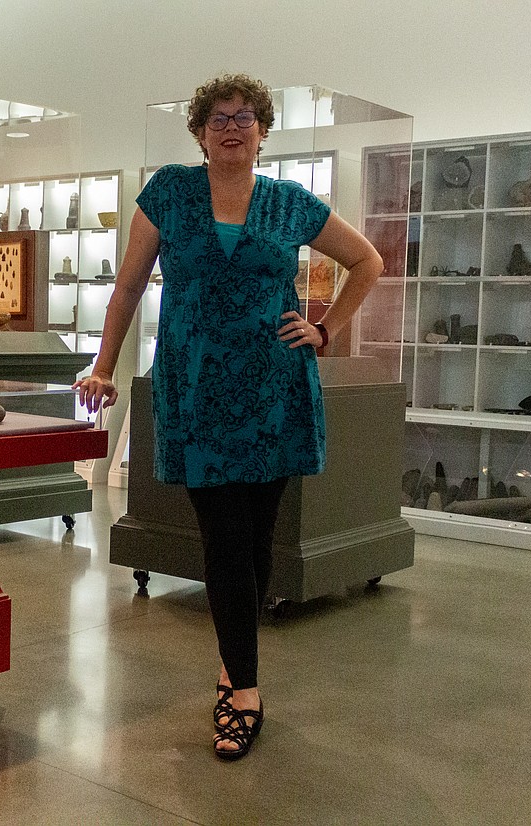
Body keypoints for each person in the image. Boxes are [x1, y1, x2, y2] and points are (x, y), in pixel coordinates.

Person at [74, 73, 384, 761]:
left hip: (275, 388)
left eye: (245, 116)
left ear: (262, 129)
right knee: (222, 534)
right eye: (218, 117)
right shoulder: (169, 195)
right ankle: (243, 688)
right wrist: (101, 365)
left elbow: (367, 260)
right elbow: (126, 289)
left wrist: (327, 330)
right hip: (199, 389)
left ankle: (233, 667)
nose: (232, 127)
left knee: (257, 536)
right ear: (200, 131)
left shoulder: (288, 204)